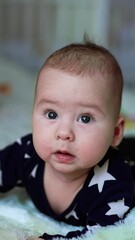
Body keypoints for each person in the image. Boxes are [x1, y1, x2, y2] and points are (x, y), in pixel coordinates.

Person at [0, 37, 134, 240]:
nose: (64, 133)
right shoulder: (27, 152)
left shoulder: (113, 184)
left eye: (85, 118)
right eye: (51, 114)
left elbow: (102, 236)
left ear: (115, 133)